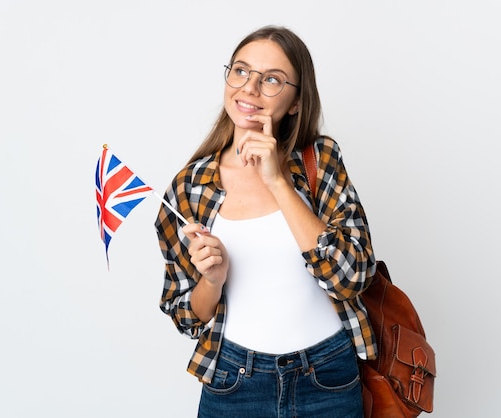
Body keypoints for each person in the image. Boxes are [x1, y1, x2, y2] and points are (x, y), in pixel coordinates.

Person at [155, 25, 376, 417]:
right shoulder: (190, 186)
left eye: (272, 79)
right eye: (240, 71)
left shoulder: (318, 161)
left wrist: (277, 181)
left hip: (328, 378)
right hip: (234, 383)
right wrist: (213, 279)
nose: (250, 88)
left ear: (295, 102)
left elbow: (352, 277)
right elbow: (185, 315)